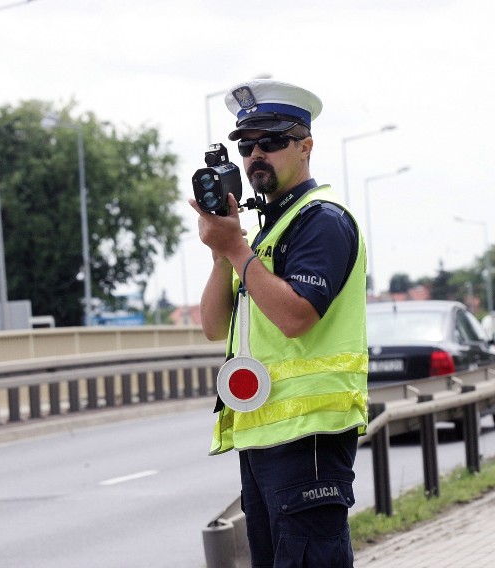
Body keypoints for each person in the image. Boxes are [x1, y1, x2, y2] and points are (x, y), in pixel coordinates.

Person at [190, 78, 368, 567]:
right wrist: (219, 253)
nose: (254, 156)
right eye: (246, 146)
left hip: (309, 437)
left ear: (305, 146)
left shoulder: (321, 219)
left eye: (271, 142)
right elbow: (211, 325)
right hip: (263, 437)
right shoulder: (263, 235)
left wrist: (235, 248)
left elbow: (295, 317)